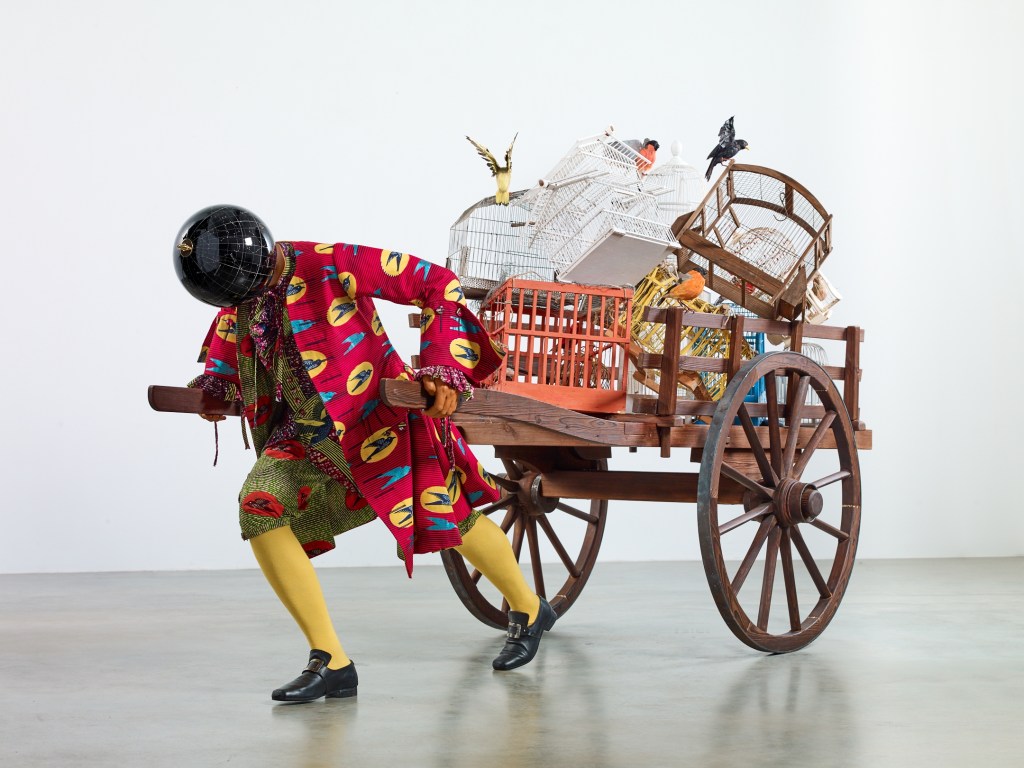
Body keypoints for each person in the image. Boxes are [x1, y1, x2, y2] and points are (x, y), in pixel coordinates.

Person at [175, 205, 555, 703]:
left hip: (377, 423)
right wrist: (217, 385)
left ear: (262, 254)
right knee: (258, 506)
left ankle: (529, 607)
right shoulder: (242, 293)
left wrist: (442, 367)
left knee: (452, 519)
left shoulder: (332, 261)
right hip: (302, 436)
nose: (242, 306)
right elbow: (230, 336)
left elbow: (437, 282)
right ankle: (331, 661)